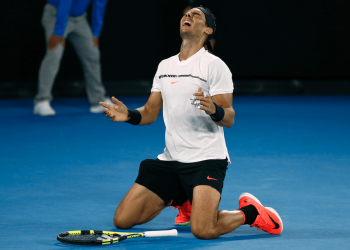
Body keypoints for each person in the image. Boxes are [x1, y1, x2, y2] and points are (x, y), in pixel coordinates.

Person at [99, 7, 283, 239]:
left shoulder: (214, 66)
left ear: (207, 30)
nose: (188, 17)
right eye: (186, 15)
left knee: (204, 230)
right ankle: (184, 196)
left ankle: (252, 213)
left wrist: (214, 109)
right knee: (122, 220)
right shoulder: (165, 66)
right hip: (171, 160)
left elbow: (229, 118)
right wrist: (128, 116)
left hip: (205, 161)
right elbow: (150, 112)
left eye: (196, 15)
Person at [34, 0, 112, 116]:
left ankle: (97, 101)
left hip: (80, 19)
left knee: (92, 55)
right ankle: (42, 101)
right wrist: (58, 31)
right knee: (54, 54)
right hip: (56, 15)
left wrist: (96, 32)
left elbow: (99, 4)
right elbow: (66, 2)